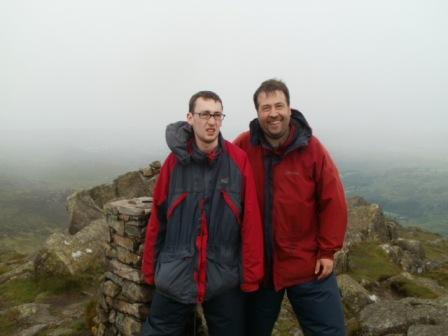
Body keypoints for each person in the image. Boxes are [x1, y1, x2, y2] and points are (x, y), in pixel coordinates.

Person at [141, 90, 264, 336]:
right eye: (205, 114)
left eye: (217, 115)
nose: (211, 121)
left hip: (223, 276)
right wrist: (149, 269)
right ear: (190, 117)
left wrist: (251, 276)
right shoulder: (173, 163)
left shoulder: (237, 161)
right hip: (175, 274)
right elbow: (158, 218)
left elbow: (250, 221)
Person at [234, 79, 348, 336]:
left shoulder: (312, 148)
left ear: (289, 108)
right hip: (260, 268)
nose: (273, 113)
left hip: (307, 265)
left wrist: (327, 251)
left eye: (278, 106)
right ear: (257, 113)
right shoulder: (243, 145)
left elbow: (333, 201)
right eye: (266, 108)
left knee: (330, 331)